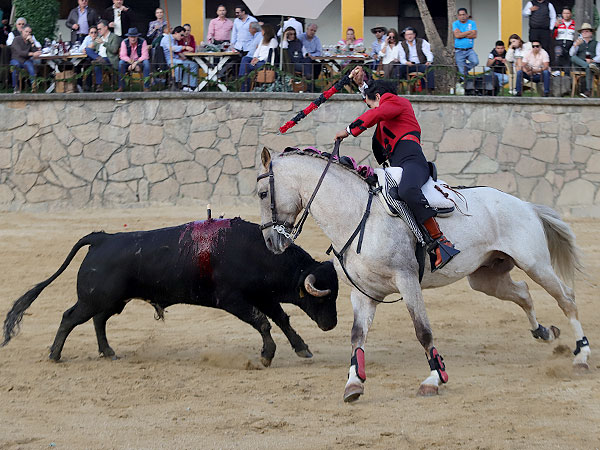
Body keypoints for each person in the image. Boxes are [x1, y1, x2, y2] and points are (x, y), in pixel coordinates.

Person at [334, 66, 460, 271]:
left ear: (378, 97)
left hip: (412, 160)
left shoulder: (396, 102)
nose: (369, 108)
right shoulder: (385, 114)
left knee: (408, 190)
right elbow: (375, 106)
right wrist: (361, 85)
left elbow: (377, 110)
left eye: (369, 102)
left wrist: (348, 130)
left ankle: (441, 242)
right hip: (396, 165)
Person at [239, 23, 278, 92]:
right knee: (245, 59)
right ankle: (242, 76)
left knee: (246, 67)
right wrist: (254, 57)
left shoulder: (273, 41)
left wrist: (258, 59)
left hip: (265, 62)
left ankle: (243, 83)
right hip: (258, 59)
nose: (261, 32)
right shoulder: (262, 40)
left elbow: (269, 54)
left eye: (262, 31)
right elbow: (257, 50)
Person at [85, 20, 120, 92]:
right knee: (88, 50)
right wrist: (87, 48)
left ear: (106, 28)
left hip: (109, 59)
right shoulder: (99, 37)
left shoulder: (114, 37)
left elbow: (114, 50)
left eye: (99, 29)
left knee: (97, 64)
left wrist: (104, 43)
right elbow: (91, 47)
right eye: (98, 29)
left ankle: (99, 85)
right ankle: (99, 59)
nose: (98, 31)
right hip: (99, 58)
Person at [161, 25, 198, 91]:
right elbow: (172, 48)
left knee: (193, 65)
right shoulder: (167, 38)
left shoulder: (176, 40)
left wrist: (181, 57)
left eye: (183, 35)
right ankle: (177, 84)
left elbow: (177, 52)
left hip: (176, 59)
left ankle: (189, 85)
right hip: (169, 60)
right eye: (181, 35)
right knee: (179, 64)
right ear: (176, 33)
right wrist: (184, 47)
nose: (182, 37)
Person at [398, 26, 435, 92]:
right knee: (399, 69)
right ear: (405, 36)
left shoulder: (422, 42)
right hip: (409, 65)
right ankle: (397, 87)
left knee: (429, 68)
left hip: (420, 64)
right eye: (407, 35)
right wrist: (407, 62)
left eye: (411, 34)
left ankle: (428, 89)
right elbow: (402, 58)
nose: (409, 36)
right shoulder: (401, 44)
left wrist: (429, 61)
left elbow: (428, 53)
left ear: (414, 35)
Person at [569, 23, 600, 98]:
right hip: (581, 65)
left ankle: (588, 91)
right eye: (583, 32)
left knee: (590, 68)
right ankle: (589, 66)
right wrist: (575, 45)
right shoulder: (578, 42)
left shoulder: (597, 43)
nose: (584, 33)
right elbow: (571, 54)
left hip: (592, 63)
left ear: (591, 33)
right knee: (573, 58)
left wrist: (592, 60)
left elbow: (599, 56)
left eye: (586, 31)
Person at [9, 24, 41, 93]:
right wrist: (32, 54)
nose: (28, 34)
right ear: (22, 31)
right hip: (16, 59)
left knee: (31, 67)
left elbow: (35, 51)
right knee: (16, 66)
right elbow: (20, 52)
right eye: (26, 32)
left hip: (25, 60)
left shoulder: (29, 41)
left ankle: (34, 86)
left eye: (29, 32)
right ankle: (15, 87)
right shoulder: (16, 39)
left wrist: (32, 42)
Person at [118, 27, 150, 92]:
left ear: (137, 36)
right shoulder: (124, 42)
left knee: (146, 63)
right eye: (131, 37)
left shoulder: (143, 41)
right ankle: (121, 86)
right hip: (128, 61)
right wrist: (131, 62)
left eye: (135, 36)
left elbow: (145, 55)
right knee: (121, 63)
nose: (133, 38)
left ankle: (146, 86)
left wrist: (136, 63)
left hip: (139, 61)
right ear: (128, 37)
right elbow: (122, 55)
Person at [453, 8, 478, 76]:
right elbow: (457, 35)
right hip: (459, 50)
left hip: (469, 49)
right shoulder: (455, 23)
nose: (462, 16)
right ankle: (465, 85)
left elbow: (474, 35)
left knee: (475, 61)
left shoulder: (472, 23)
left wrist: (462, 34)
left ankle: (465, 68)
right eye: (460, 15)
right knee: (462, 72)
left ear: (467, 15)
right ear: (458, 16)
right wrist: (469, 32)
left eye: (464, 14)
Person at [553, 7, 576, 74]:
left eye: (568, 13)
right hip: (559, 43)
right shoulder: (558, 23)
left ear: (571, 14)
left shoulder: (574, 24)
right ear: (562, 14)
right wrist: (555, 27)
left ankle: (567, 77)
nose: (566, 15)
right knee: (558, 51)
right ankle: (557, 70)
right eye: (564, 13)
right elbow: (553, 36)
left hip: (570, 45)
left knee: (567, 63)